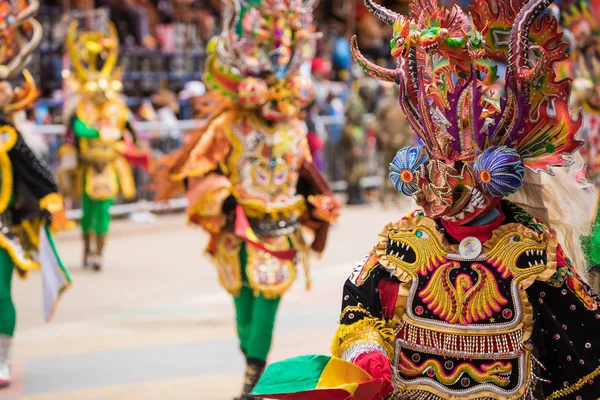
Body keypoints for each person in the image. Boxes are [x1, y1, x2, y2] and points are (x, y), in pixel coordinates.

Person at [253, 0, 600, 399]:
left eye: (463, 171)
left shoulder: (534, 254)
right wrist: (369, 355)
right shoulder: (402, 244)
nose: (444, 186)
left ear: (496, 174)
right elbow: (358, 310)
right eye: (437, 167)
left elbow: (580, 359)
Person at [151, 1, 340, 399]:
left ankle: (253, 379)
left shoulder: (295, 127)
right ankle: (250, 361)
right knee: (243, 309)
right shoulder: (228, 125)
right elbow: (200, 171)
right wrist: (222, 201)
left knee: (267, 305)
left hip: (280, 232)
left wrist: (316, 206)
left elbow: (305, 175)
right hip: (238, 231)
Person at [0, 0, 71, 388]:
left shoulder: (8, 137)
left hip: (2, 228)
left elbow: (41, 177)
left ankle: (2, 358)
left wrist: (49, 203)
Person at [58, 19, 149, 271]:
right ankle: (87, 250)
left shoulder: (116, 109)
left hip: (107, 166)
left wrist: (113, 135)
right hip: (87, 166)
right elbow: (77, 130)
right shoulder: (79, 109)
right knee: (87, 213)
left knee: (103, 213)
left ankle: (99, 253)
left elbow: (126, 130)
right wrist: (100, 131)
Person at [375, 82, 414, 207]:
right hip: (388, 143)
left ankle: (399, 197)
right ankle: (384, 197)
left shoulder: (407, 105)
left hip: (401, 143)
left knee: (402, 171)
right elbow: (378, 123)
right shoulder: (385, 104)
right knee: (387, 170)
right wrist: (384, 137)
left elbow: (412, 123)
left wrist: (403, 136)